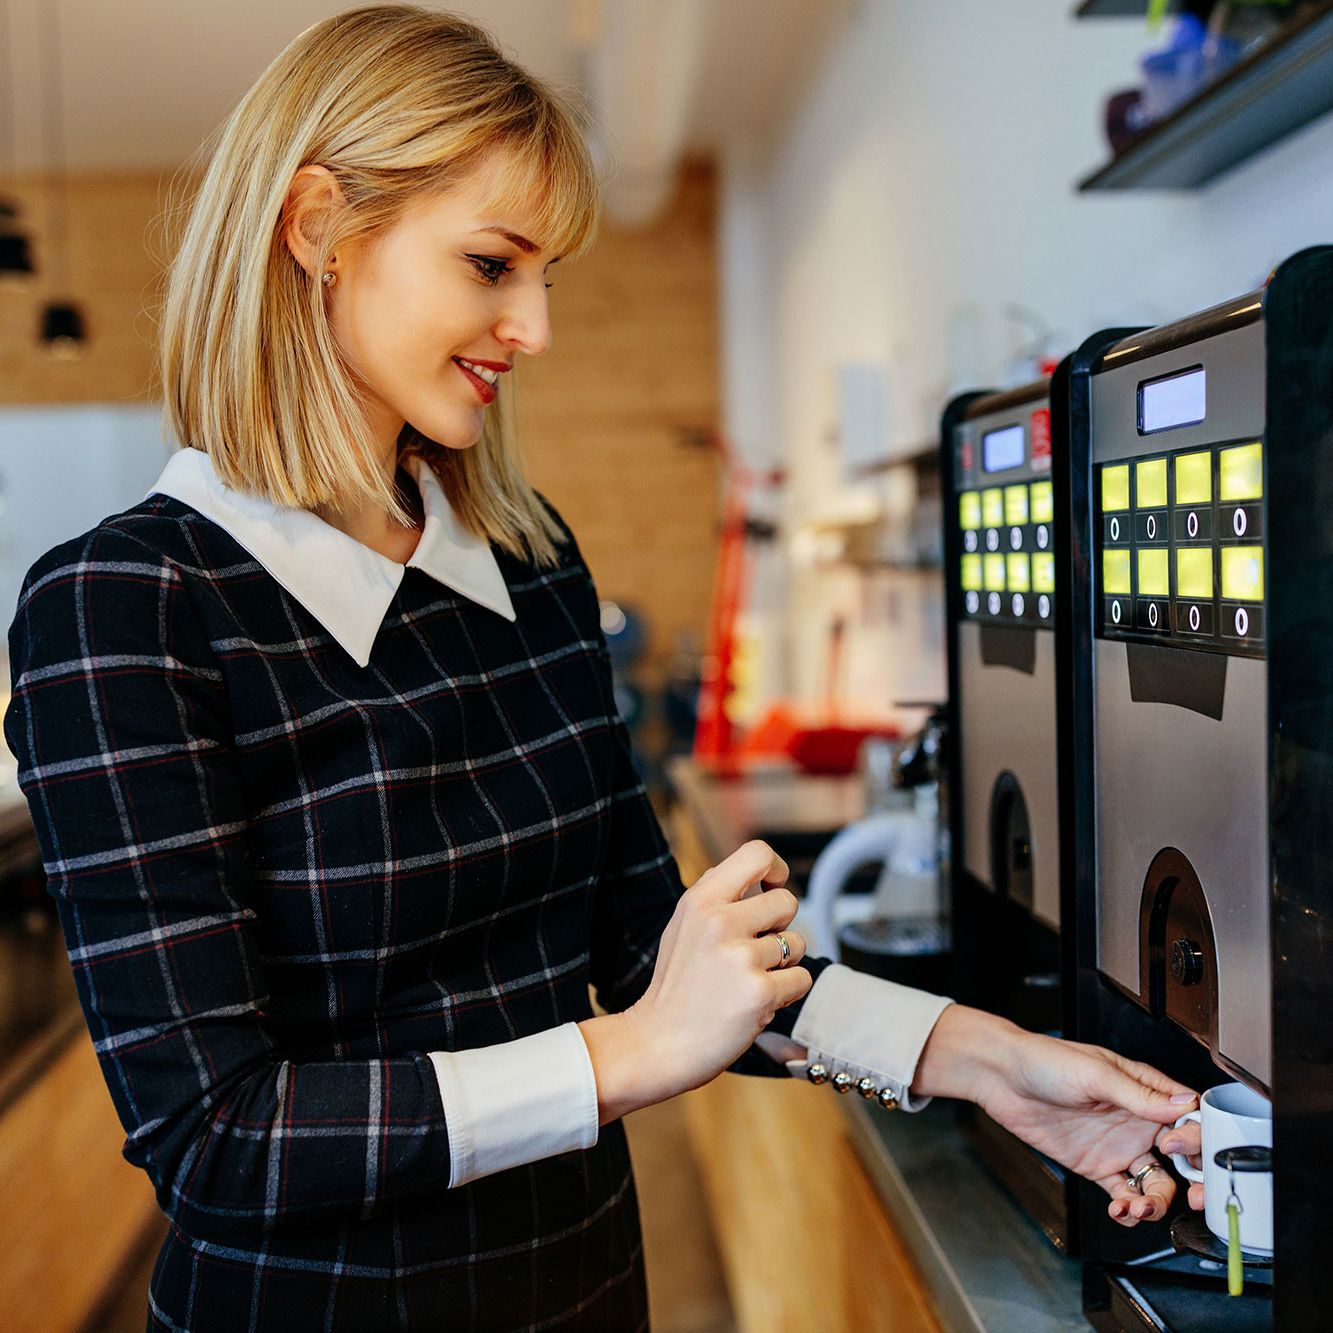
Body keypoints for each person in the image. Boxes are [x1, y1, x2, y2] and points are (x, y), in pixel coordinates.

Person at [2, 7, 1195, 1330]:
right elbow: (218, 1131)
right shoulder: (126, 605)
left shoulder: (525, 557)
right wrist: (627, 1058)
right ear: (318, 228)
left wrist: (975, 1055)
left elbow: (651, 949)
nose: (535, 326)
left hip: (582, 1288)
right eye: (491, 263)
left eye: (546, 275)